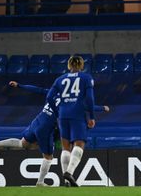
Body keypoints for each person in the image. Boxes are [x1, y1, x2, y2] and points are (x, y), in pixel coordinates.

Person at [0, 81, 109, 187]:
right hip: (45, 129)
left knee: (23, 143)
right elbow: (89, 107)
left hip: (37, 121)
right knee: (48, 157)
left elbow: (37, 89)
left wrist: (19, 85)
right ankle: (40, 182)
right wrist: (103, 108)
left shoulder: (54, 93)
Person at [46, 56, 95, 187]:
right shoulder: (86, 78)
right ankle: (69, 172)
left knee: (65, 147)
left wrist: (57, 111)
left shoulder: (60, 79)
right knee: (79, 144)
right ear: (82, 66)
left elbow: (49, 96)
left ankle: (66, 182)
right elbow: (90, 98)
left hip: (63, 114)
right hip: (77, 113)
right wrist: (92, 116)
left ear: (69, 65)